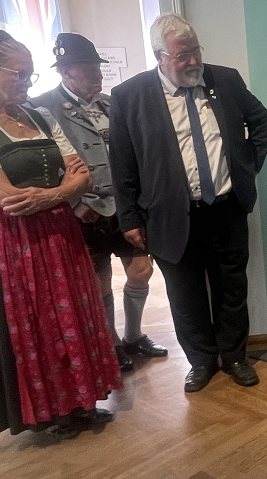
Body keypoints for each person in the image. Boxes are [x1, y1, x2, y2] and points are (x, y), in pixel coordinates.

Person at [0, 30, 123, 440]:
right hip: (11, 238)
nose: (28, 82)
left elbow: (83, 175)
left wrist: (53, 195)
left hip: (58, 228)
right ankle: (48, 412)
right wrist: (64, 190)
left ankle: (80, 401)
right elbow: (8, 198)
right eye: (20, 74)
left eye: (31, 74)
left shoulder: (40, 116)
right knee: (34, 322)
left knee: (73, 314)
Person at [109, 14, 267, 393]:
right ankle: (201, 361)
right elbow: (123, 163)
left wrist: (246, 167)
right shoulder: (130, 96)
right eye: (183, 55)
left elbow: (260, 120)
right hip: (167, 216)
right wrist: (129, 217)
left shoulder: (224, 80)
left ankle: (235, 357)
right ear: (160, 57)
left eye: (195, 51)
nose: (193, 61)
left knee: (232, 289)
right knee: (186, 294)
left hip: (226, 209)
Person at [33, 33, 167, 372]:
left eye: (97, 67)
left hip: (123, 208)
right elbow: (45, 167)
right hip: (84, 213)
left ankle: (134, 336)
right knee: (99, 281)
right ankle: (111, 343)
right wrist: (76, 203)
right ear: (65, 71)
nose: (97, 74)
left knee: (141, 271)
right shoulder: (42, 109)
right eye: (87, 68)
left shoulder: (112, 104)